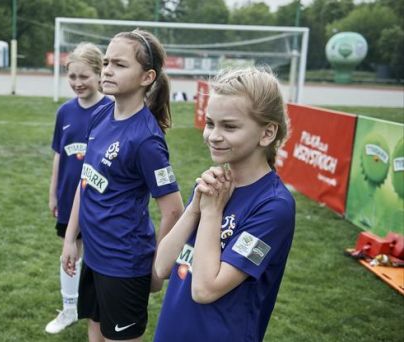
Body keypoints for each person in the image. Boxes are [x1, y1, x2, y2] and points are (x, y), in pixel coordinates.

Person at [153, 67, 296, 342]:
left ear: (267, 133)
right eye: (210, 123)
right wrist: (195, 206)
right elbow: (161, 267)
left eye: (229, 126)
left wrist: (210, 213)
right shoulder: (213, 187)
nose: (213, 135)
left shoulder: (273, 206)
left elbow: (205, 290)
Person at [61, 30, 184, 342]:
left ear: (147, 77)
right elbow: (85, 180)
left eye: (119, 64)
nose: (107, 70)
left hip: (125, 264)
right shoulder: (102, 112)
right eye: (105, 63)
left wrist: (157, 269)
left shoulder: (147, 139)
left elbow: (173, 210)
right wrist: (71, 238)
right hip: (95, 255)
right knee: (95, 328)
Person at [45, 42, 112, 334]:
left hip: (101, 199)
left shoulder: (111, 109)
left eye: (84, 76)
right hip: (68, 197)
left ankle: (102, 309)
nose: (77, 83)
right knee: (70, 250)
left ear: (99, 75)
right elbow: (59, 156)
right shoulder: (65, 111)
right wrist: (53, 192)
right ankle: (70, 308)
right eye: (72, 77)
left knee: (99, 255)